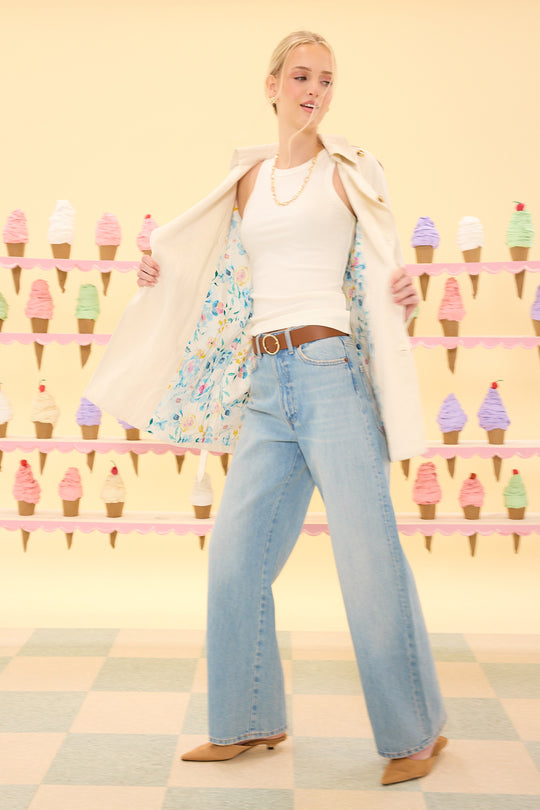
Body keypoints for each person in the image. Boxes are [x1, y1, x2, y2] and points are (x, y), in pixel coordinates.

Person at [85, 30, 447, 786]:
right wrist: (157, 264)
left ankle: (417, 732)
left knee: (368, 558)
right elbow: (210, 265)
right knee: (235, 555)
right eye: (302, 77)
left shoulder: (348, 170)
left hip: (330, 373)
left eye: (327, 81)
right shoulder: (246, 180)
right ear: (273, 84)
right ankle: (250, 719)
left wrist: (404, 293)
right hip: (264, 385)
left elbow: (381, 264)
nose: (314, 91)